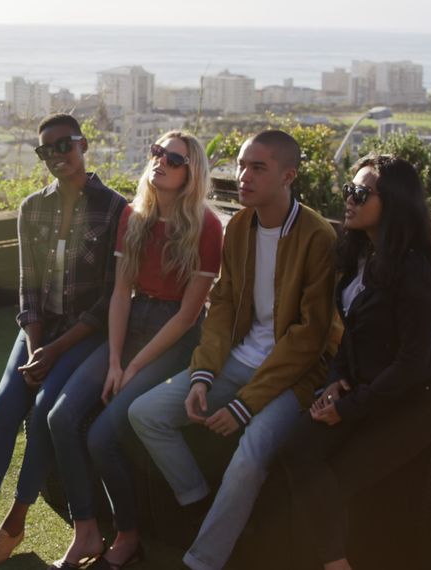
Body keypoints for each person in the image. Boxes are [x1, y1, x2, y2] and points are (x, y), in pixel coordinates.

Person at [128, 130, 343, 570]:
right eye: (242, 165)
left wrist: (245, 407)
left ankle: (202, 561)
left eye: (257, 168)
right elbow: (222, 304)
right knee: (145, 414)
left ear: (289, 176)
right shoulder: (240, 226)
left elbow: (309, 336)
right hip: (236, 362)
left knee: (250, 453)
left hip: (294, 378)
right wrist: (204, 373)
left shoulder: (317, 236)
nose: (243, 176)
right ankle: (200, 507)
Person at [0, 113, 127, 570]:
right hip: (38, 331)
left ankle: (14, 522)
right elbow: (28, 287)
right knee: (4, 407)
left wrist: (55, 351)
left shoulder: (116, 208)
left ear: (83, 144)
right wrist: (33, 347)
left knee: (43, 408)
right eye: (46, 150)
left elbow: (109, 298)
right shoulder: (31, 208)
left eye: (65, 145)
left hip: (84, 333)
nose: (56, 156)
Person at [46, 132, 223, 569]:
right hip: (130, 323)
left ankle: (128, 534)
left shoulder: (207, 226)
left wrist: (132, 366)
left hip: (173, 336)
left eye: (174, 158)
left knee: (103, 435)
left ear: (191, 171)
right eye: (157, 152)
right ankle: (86, 529)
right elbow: (122, 292)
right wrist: (112, 360)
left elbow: (187, 316)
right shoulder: (133, 215)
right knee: (60, 417)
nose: (161, 161)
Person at [277, 155, 431, 570]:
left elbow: (412, 362)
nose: (349, 200)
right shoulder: (361, 255)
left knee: (340, 478)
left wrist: (348, 408)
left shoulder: (415, 269)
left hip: (414, 402)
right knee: (295, 450)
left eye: (360, 193)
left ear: (393, 202)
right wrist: (336, 382)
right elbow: (353, 334)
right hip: (366, 387)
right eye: (348, 191)